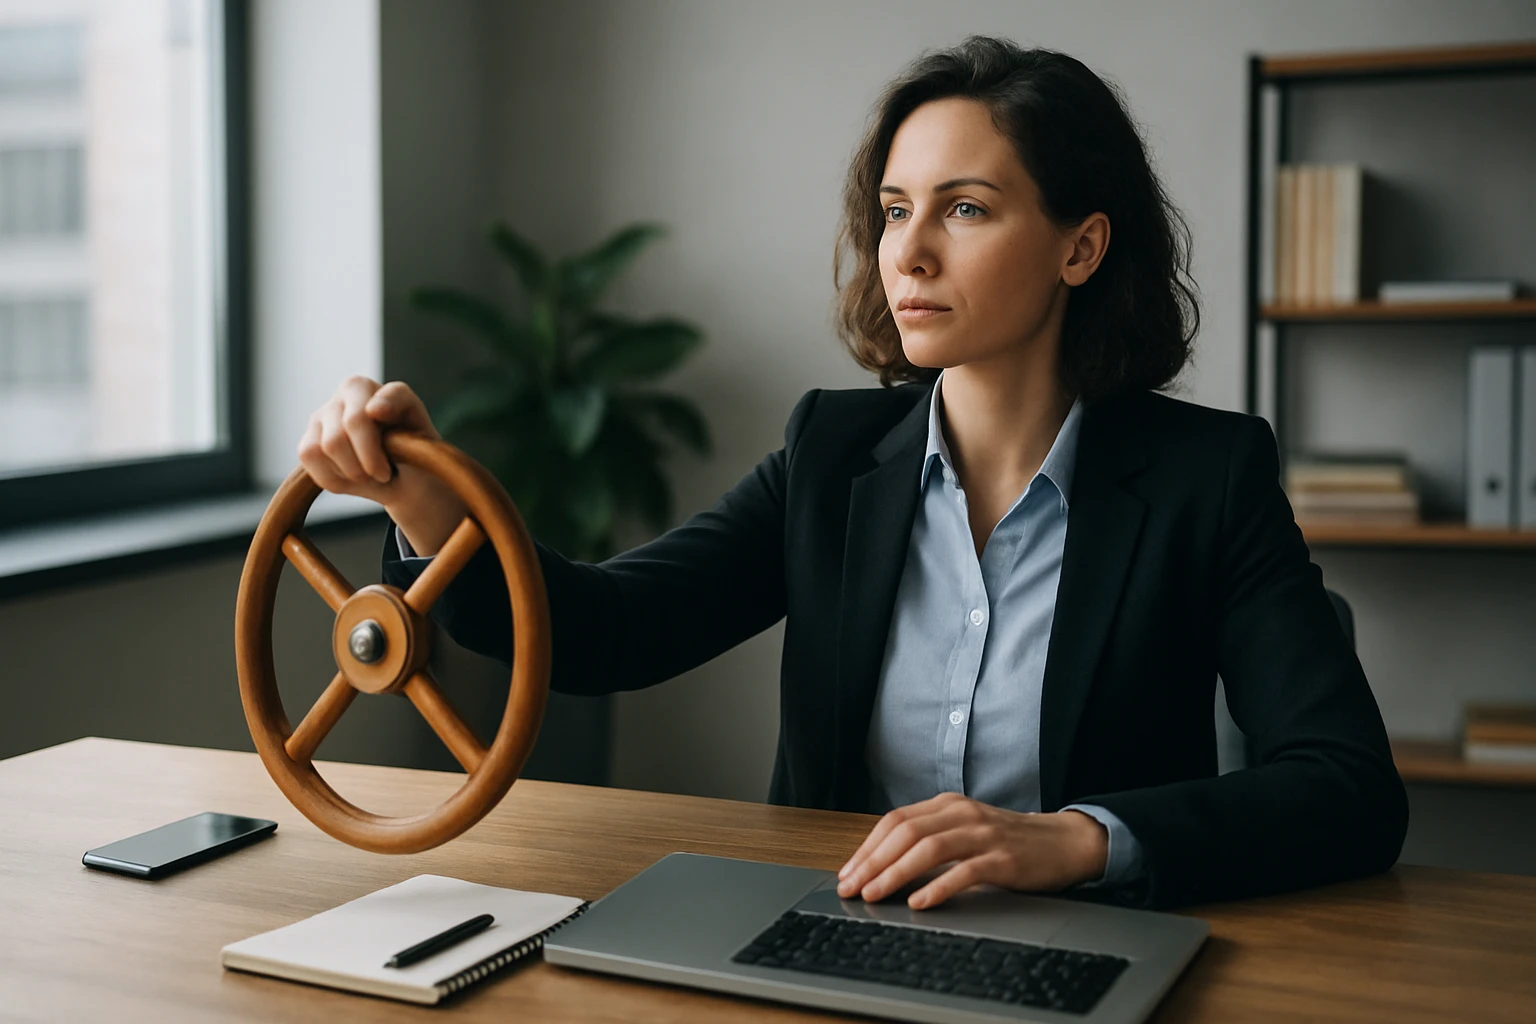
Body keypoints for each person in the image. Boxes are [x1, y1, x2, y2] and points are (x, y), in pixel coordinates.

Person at [297, 36, 1407, 912]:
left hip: (1098, 947)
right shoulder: (831, 455)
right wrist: (424, 502)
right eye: (893, 210)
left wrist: (1073, 841)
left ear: (1082, 246)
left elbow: (1349, 787)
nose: (909, 251)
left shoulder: (1210, 478)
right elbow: (604, 629)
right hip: (835, 935)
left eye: (964, 208)